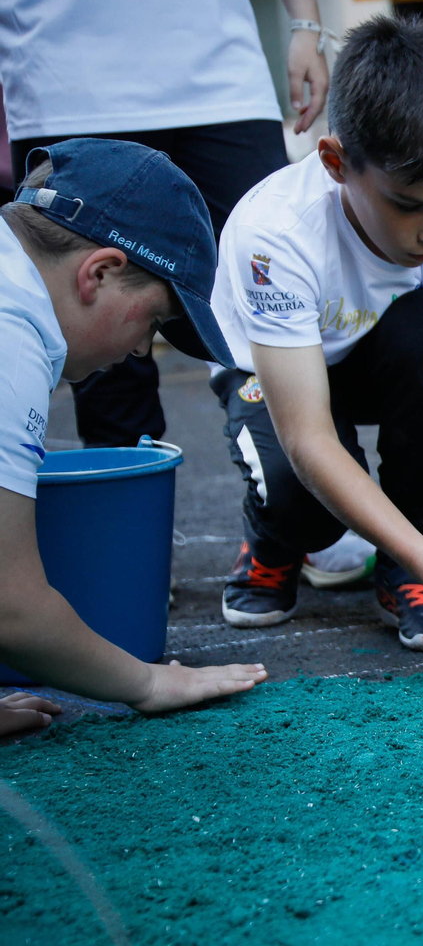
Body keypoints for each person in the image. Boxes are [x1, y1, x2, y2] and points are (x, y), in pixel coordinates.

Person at [0, 0, 376, 592]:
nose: (152, 349)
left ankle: (295, 509)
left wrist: (305, 23)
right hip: (64, 75)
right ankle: (123, 537)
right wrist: (147, 683)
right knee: (100, 339)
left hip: (217, 76)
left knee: (267, 303)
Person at [210, 17, 423, 651]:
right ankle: (272, 539)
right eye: (409, 204)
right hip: (278, 377)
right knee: (304, 504)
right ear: (336, 162)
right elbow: (309, 437)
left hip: (380, 363)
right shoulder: (275, 235)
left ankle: (405, 567)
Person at [0, 139, 268, 735]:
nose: (144, 348)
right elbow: (11, 605)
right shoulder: (11, 335)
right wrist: (145, 681)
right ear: (99, 272)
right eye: (153, 320)